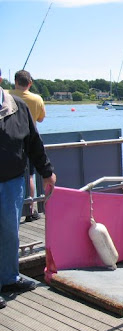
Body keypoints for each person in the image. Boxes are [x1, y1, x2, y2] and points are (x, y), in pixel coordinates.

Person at [0, 68, 56, 309]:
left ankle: (9, 278)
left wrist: (46, 171)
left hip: (12, 181)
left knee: (10, 232)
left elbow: (33, 142)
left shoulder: (18, 106)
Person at [9, 70, 46, 222]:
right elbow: (41, 119)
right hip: (30, 142)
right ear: (30, 83)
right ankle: (30, 210)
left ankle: (13, 210)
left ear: (15, 81)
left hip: (10, 143)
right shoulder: (37, 99)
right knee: (29, 176)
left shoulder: (7, 95)